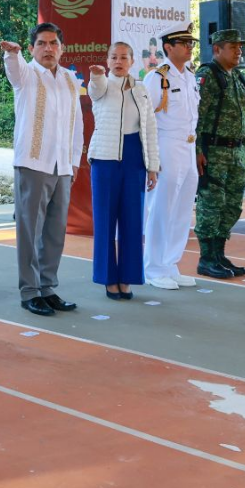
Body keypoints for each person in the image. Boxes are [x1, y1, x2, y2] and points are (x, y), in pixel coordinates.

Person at [2, 23, 83, 317]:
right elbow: (14, 69)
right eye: (42, 43)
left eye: (53, 43)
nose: (48, 48)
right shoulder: (26, 74)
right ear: (33, 48)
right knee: (29, 229)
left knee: (55, 231)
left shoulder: (70, 79)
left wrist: (74, 162)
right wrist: (12, 55)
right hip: (33, 163)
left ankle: (48, 288)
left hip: (62, 166)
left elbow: (78, 124)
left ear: (61, 48)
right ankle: (29, 291)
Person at [87, 43, 159, 300]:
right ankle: (108, 279)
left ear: (132, 61)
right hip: (105, 159)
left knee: (132, 220)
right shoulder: (102, 84)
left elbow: (150, 129)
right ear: (107, 61)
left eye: (124, 57)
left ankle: (127, 277)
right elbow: (95, 91)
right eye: (114, 57)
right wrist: (96, 75)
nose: (118, 61)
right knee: (105, 219)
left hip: (134, 158)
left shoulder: (141, 90)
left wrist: (152, 166)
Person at [143, 25, 201, 289]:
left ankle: (170, 263)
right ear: (168, 46)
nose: (190, 47)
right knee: (161, 210)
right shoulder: (157, 78)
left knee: (182, 210)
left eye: (191, 43)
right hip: (166, 145)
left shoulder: (189, 75)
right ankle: (154, 268)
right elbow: (146, 120)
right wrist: (151, 159)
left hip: (188, 147)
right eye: (184, 43)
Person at [194, 29, 245, 279]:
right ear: (217, 49)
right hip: (214, 151)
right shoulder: (207, 75)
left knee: (231, 206)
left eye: (240, 46)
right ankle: (206, 259)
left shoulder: (237, 77)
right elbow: (195, 116)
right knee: (211, 205)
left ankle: (219, 254)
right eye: (233, 46)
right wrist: (197, 150)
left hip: (236, 152)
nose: (239, 51)